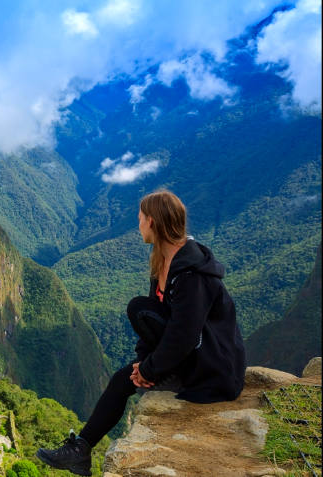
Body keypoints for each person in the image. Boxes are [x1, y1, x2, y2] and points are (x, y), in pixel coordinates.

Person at [36, 190, 246, 476]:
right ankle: (81, 450)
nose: (138, 226)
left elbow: (184, 334)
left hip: (213, 366)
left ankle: (80, 448)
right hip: (189, 353)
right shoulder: (163, 263)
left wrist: (150, 368)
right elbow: (159, 322)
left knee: (138, 315)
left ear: (153, 222)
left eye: (140, 220)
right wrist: (143, 365)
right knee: (129, 350)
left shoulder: (191, 274)